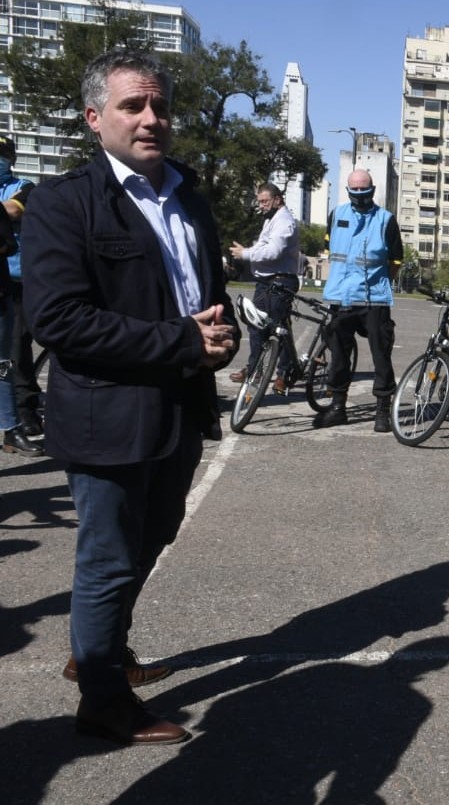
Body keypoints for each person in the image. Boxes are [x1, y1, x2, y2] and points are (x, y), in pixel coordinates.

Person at [22, 50, 239, 744]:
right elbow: (57, 320)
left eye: (160, 106)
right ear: (95, 118)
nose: (152, 119)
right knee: (109, 556)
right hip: (106, 412)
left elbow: (203, 298)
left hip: (179, 410)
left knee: (154, 534)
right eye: (132, 106)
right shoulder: (63, 202)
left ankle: (96, 648)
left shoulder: (191, 199)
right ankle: (104, 698)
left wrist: (220, 334)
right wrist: (180, 340)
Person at [314, 168, 402, 431]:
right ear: (348, 190)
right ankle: (338, 407)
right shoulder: (336, 215)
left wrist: (379, 282)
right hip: (342, 296)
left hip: (374, 298)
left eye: (365, 190)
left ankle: (382, 411)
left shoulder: (386, 220)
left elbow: (395, 261)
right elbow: (332, 251)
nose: (360, 195)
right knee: (339, 354)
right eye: (356, 190)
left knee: (381, 354)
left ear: (373, 189)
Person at [228, 181, 302, 393]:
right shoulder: (271, 220)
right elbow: (262, 246)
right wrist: (249, 251)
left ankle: (284, 374)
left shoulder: (284, 222)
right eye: (259, 201)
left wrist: (246, 254)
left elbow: (274, 251)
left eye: (265, 201)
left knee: (279, 328)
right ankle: (255, 368)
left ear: (277, 200)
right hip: (266, 281)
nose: (261, 205)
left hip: (281, 281)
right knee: (256, 325)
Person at [0, 133, 41, 441]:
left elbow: (13, 210)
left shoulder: (24, 187)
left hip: (18, 281)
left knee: (15, 350)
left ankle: (23, 412)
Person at [0, 197, 38, 456]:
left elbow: (7, 241)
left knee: (3, 364)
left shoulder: (23, 186)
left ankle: (12, 428)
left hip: (6, 291)